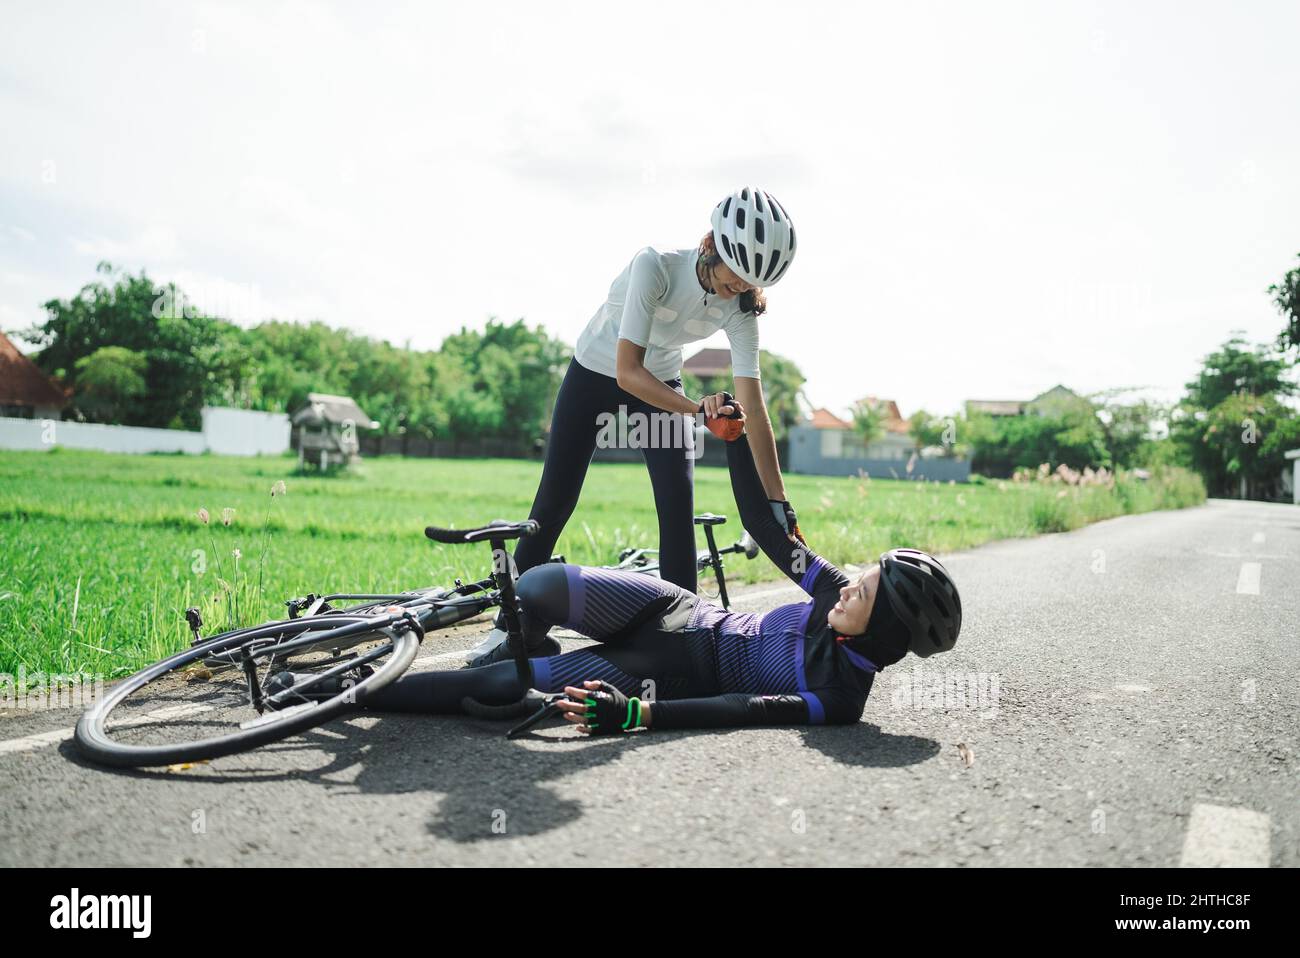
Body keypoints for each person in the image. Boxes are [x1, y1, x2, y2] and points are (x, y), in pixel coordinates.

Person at [280, 394, 963, 735]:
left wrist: (634, 715)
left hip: (659, 671)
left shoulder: (836, 701)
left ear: (887, 632)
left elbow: (735, 708)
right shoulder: (832, 593)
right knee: (538, 585)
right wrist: (738, 436)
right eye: (860, 578)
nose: (850, 586)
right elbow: (763, 524)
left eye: (866, 592)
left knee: (501, 683)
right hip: (674, 610)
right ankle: (524, 628)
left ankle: (332, 695)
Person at [465, 187, 800, 668]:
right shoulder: (655, 266)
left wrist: (778, 503)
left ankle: (685, 633)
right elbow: (627, 372)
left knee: (677, 504)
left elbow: (753, 403)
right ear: (711, 245)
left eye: (751, 283)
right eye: (736, 278)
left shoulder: (741, 307)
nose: (741, 289)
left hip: (660, 382)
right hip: (598, 372)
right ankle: (509, 630)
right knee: (555, 500)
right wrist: (695, 411)